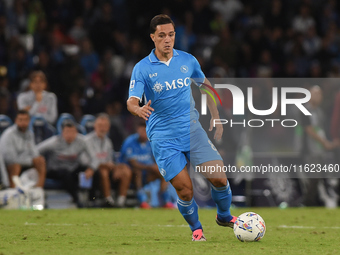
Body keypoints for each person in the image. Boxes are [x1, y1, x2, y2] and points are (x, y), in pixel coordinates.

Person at [126, 14, 235, 241]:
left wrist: (216, 116)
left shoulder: (188, 60)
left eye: (171, 35)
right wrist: (137, 110)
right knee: (185, 189)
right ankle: (196, 229)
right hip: (163, 137)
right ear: (153, 37)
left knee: (220, 178)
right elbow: (132, 100)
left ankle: (224, 216)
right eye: (162, 35)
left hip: (192, 130)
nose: (168, 40)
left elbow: (205, 87)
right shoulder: (143, 68)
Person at [120, 121, 174, 209]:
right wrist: (150, 167)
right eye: (141, 131)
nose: (143, 133)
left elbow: (157, 158)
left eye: (145, 131)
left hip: (148, 172)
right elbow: (133, 163)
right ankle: (142, 201)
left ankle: (166, 200)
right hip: (131, 173)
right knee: (138, 172)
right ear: (137, 131)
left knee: (164, 172)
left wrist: (158, 167)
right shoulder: (129, 142)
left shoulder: (151, 142)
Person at [37, 121, 93, 204]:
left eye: (72, 132)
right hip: (55, 170)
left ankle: (92, 199)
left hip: (72, 170)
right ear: (62, 133)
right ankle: (77, 199)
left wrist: (91, 168)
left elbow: (93, 156)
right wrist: (40, 160)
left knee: (89, 170)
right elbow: (37, 150)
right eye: (67, 132)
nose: (69, 135)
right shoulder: (54, 142)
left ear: (76, 133)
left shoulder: (82, 141)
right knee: (65, 173)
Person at [84, 113, 132, 207]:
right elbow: (94, 159)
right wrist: (107, 164)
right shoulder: (87, 140)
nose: (102, 128)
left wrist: (113, 166)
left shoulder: (108, 141)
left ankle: (121, 200)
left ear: (108, 127)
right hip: (92, 171)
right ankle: (108, 199)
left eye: (105, 126)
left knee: (125, 169)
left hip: (107, 168)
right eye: (100, 126)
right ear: (95, 126)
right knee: (103, 170)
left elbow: (110, 159)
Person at [0, 110, 46, 189]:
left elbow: (34, 153)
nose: (23, 123)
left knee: (40, 161)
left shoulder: (29, 133)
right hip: (10, 166)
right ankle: (13, 191)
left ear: (29, 121)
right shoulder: (9, 135)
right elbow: (11, 159)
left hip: (25, 163)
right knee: (15, 166)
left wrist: (33, 160)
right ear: (16, 120)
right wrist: (30, 161)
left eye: (25, 120)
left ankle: (39, 190)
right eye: (20, 120)